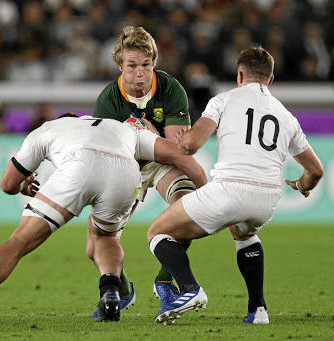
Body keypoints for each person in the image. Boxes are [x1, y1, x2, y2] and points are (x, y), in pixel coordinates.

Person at [0, 113, 207, 323]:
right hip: (125, 172)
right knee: (105, 236)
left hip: (78, 165)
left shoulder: (47, 129)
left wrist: (23, 186)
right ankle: (111, 292)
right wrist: (206, 192)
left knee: (20, 240)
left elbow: (6, 184)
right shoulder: (121, 127)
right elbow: (177, 154)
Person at [147, 47, 324, 325]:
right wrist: (303, 184)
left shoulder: (224, 100)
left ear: (239, 74)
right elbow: (316, 170)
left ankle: (191, 290)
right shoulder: (286, 116)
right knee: (243, 235)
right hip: (267, 200)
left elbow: (192, 145)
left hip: (229, 190)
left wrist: (183, 141)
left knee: (157, 232)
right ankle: (258, 310)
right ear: (271, 79)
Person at [91, 26, 196, 317]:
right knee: (95, 239)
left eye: (146, 65)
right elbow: (106, 155)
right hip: (125, 165)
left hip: (161, 160)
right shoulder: (108, 100)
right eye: (132, 66)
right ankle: (121, 289)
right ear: (120, 66)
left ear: (154, 63)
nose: (140, 73)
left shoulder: (170, 89)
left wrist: (150, 136)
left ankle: (165, 280)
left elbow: (179, 149)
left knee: (188, 207)